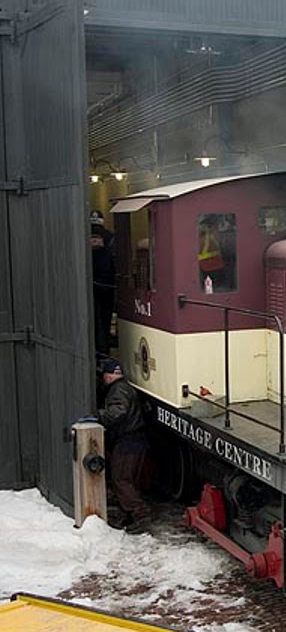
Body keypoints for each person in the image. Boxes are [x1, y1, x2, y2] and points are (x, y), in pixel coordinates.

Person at [98, 358, 150, 533]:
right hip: (136, 440)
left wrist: (99, 416)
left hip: (128, 442)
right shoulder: (125, 387)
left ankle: (139, 513)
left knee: (121, 479)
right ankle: (130, 514)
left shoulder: (117, 390)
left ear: (108, 375)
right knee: (129, 479)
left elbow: (119, 411)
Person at [90, 210, 116, 356]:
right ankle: (104, 348)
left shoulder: (81, 236)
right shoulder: (110, 237)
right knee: (105, 317)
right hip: (107, 285)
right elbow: (115, 260)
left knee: (92, 318)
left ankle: (94, 349)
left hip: (88, 285)